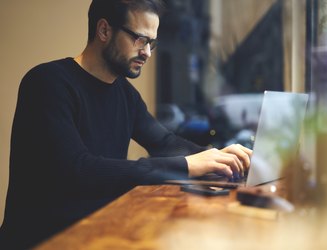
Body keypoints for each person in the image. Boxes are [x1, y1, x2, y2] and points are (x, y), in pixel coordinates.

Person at [0, 0, 252, 249]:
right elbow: (78, 169)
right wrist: (188, 165)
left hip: (98, 233)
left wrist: (217, 158)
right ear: (104, 30)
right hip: (43, 241)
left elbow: (164, 142)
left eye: (152, 43)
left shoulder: (125, 94)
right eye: (140, 39)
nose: (148, 52)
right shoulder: (48, 82)